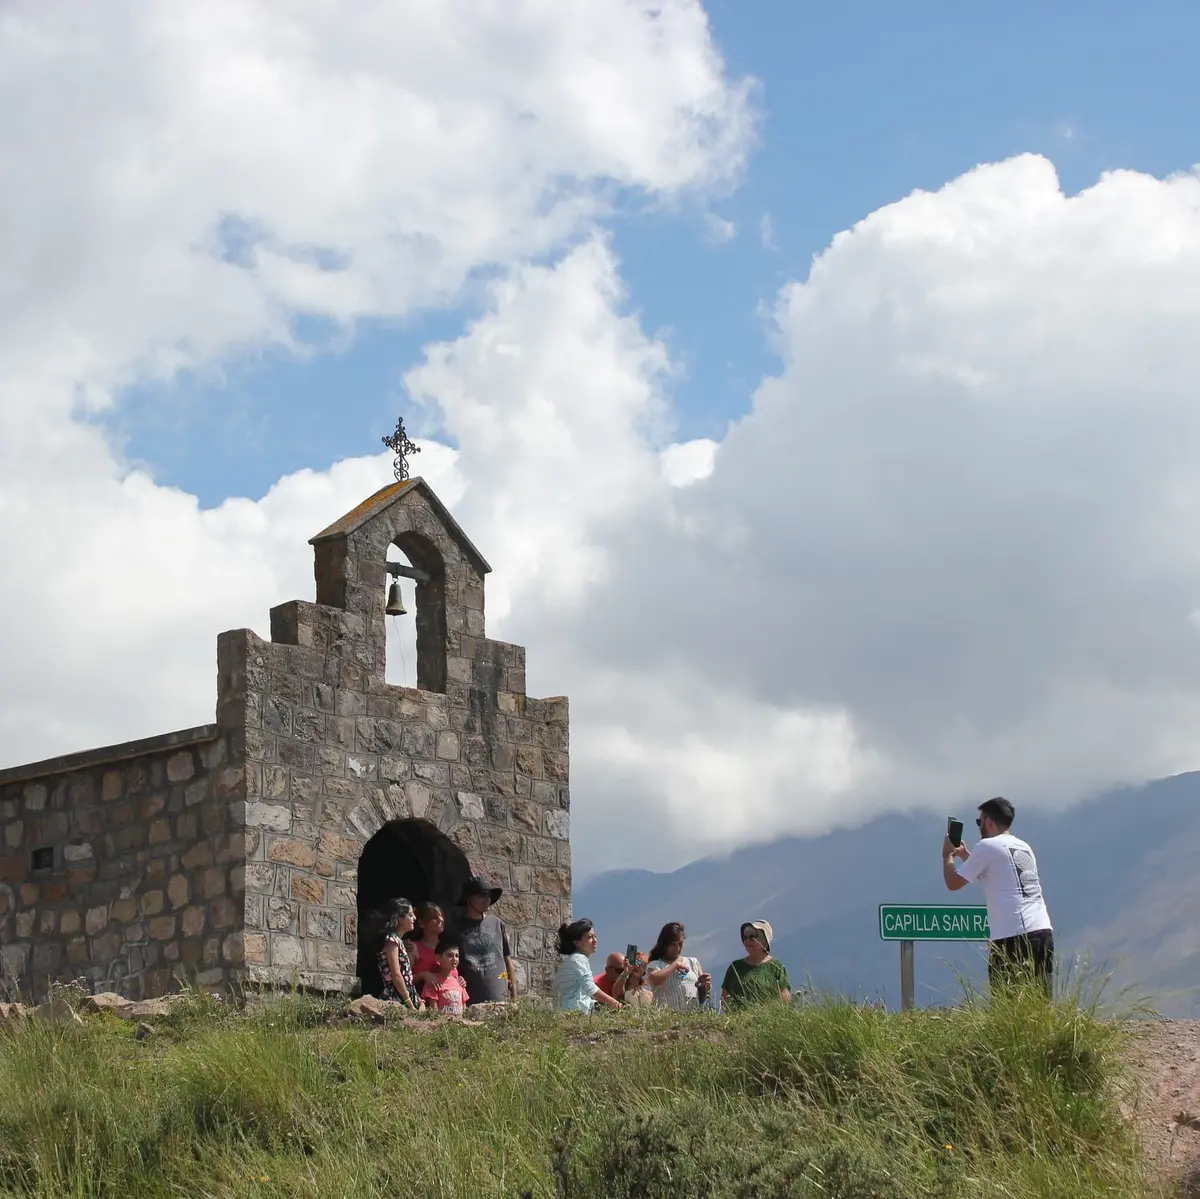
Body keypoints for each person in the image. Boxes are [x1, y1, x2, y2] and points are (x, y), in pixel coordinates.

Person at [942, 796, 1055, 996]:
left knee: (1007, 1002)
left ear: (989, 822)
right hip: (1041, 931)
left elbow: (953, 883)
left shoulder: (987, 846)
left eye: (980, 822)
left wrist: (947, 857)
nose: (979, 827)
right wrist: (966, 855)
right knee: (1040, 1001)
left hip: (1012, 935)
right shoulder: (1023, 846)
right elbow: (996, 874)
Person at [447, 875, 519, 1005]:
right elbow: (445, 963)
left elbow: (507, 960)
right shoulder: (455, 928)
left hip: (500, 1002)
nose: (487, 899)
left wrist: (514, 997)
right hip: (469, 1003)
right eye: (481, 895)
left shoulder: (497, 924)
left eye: (489, 895)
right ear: (469, 898)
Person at [553, 918, 622, 1012]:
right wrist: (614, 1003)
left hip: (569, 1010)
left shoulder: (576, 959)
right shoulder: (578, 959)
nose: (595, 940)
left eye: (595, 936)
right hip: (573, 1012)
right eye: (589, 937)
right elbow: (591, 988)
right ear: (577, 942)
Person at [721, 920, 791, 1010]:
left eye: (752, 937)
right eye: (745, 938)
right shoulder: (735, 967)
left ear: (765, 940)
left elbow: (784, 1000)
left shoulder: (776, 967)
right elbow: (725, 999)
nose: (747, 941)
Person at [646, 921, 710, 1011]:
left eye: (680, 944)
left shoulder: (693, 962)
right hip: (668, 1017)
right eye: (673, 944)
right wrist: (674, 966)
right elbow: (653, 980)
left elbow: (703, 996)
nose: (677, 948)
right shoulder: (656, 964)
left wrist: (705, 985)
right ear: (665, 945)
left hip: (692, 1016)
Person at [375, 897, 422, 1010]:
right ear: (400, 919)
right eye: (410, 915)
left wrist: (418, 1000)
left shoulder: (399, 942)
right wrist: (409, 1003)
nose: (414, 918)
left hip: (405, 997)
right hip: (396, 998)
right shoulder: (392, 941)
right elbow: (396, 975)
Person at [419, 936, 471, 1014]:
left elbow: (464, 1009)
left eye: (457, 956)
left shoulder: (459, 982)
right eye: (450, 955)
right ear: (438, 958)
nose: (455, 959)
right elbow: (434, 1011)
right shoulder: (433, 982)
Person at [409, 902, 446, 992]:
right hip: (423, 1000)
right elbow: (405, 979)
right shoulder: (413, 948)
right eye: (434, 918)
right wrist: (423, 975)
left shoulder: (447, 947)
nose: (441, 919)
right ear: (422, 923)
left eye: (441, 916)